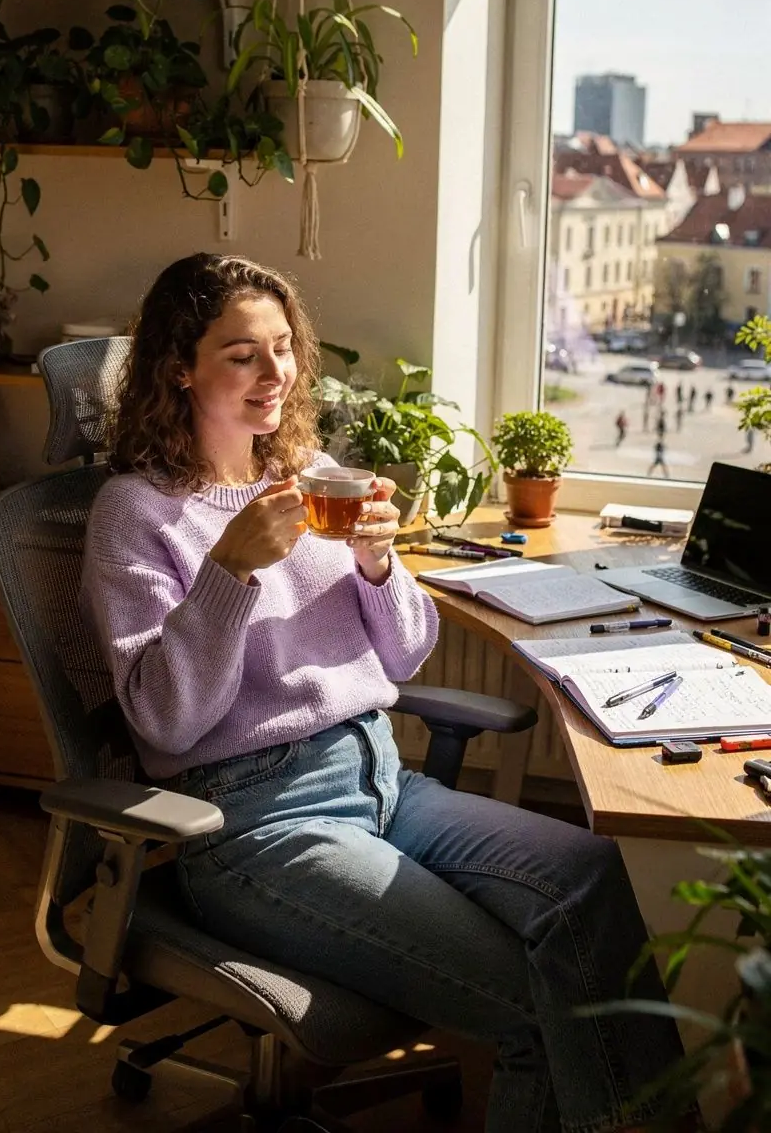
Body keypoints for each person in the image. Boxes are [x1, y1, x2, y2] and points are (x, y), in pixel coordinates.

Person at [81, 253, 692, 1133]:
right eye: (242, 353)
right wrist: (229, 570)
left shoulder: (310, 474)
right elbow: (165, 721)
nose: (275, 374)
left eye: (284, 349)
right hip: (259, 826)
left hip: (379, 780)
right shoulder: (138, 514)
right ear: (181, 366)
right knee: (529, 1005)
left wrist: (377, 563)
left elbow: (404, 655)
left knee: (588, 878)